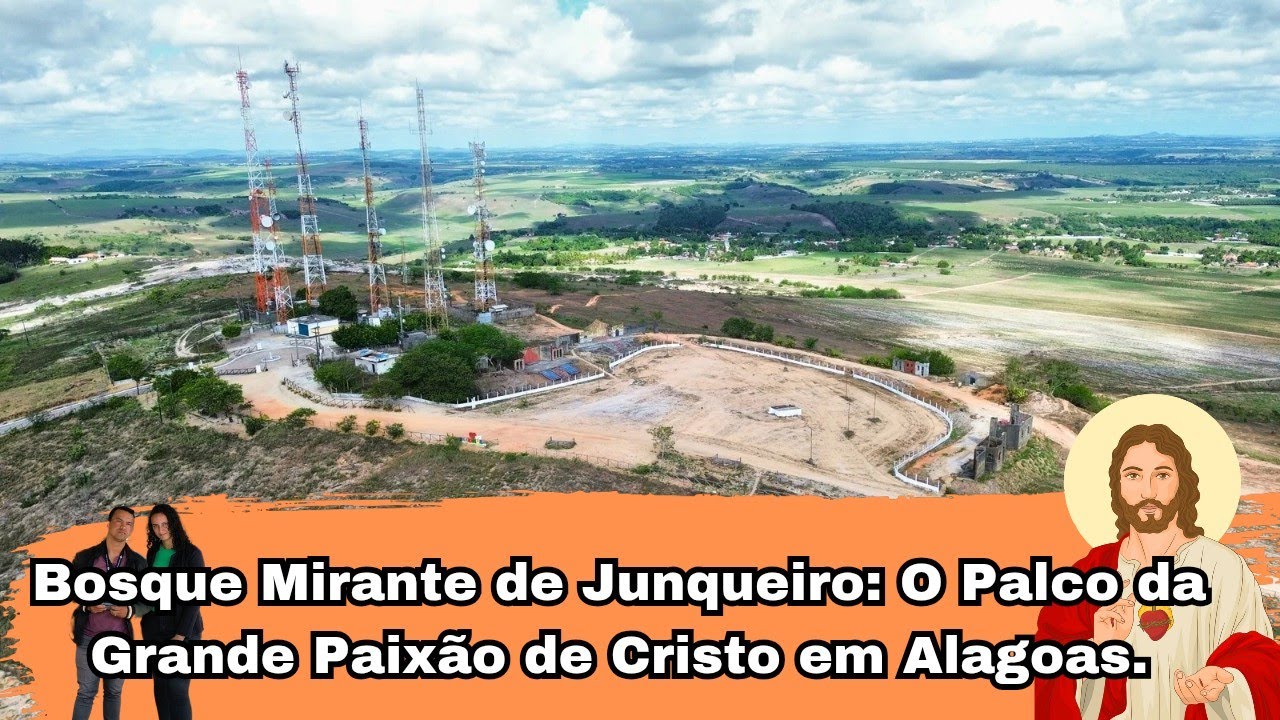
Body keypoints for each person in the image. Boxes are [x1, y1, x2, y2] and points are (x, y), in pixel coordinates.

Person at [1036, 424, 1280, 720]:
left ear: (1183, 482)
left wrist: (1228, 682)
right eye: (1133, 475)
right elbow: (1049, 667)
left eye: (1162, 475)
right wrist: (1100, 651)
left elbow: (1261, 662)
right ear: (1117, 484)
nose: (1148, 491)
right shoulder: (1090, 574)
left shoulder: (1224, 569)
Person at [70, 505, 147, 720]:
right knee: (85, 693)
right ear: (109, 523)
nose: (124, 527)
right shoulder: (85, 558)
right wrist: (87, 605)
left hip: (120, 641)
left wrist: (130, 610)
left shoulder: (138, 563)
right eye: (119, 521)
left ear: (132, 529)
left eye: (129, 524)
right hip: (88, 639)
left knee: (114, 693)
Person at [141, 504, 205, 720]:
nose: (161, 530)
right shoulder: (153, 553)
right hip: (156, 630)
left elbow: (195, 598)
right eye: (155, 526)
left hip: (183, 632)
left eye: (165, 524)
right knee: (161, 690)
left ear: (174, 524)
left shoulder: (192, 554)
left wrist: (180, 635)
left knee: (177, 690)